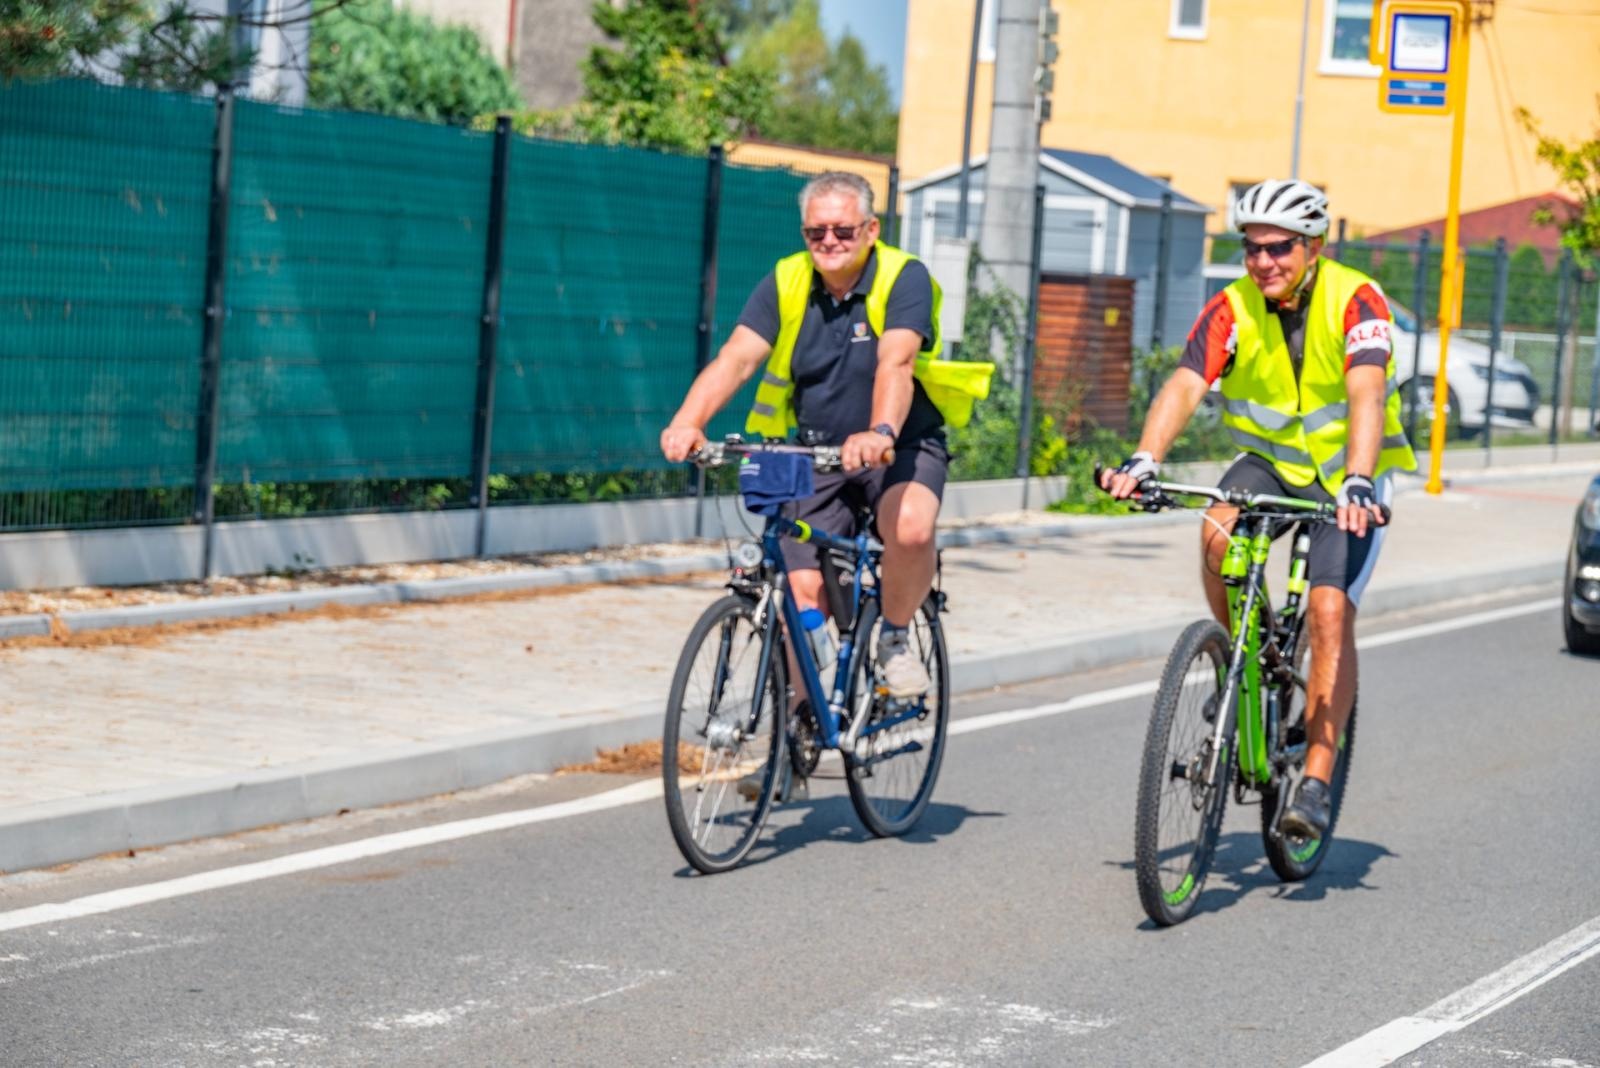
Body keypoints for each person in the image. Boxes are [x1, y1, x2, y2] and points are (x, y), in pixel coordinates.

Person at [1100, 178, 1416, 840]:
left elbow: (1366, 391)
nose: (1264, 262)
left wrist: (1359, 480)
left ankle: (1318, 781)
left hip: (1344, 480)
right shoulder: (1232, 305)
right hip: (1271, 463)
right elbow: (1188, 381)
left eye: (1279, 248)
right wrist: (1145, 459)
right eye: (1252, 249)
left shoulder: (1356, 298)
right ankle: (1245, 651)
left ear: (1315, 246)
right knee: (1216, 528)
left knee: (1330, 612)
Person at [660, 170, 990, 700]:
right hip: (811, 449)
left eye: (842, 230)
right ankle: (797, 728)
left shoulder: (902, 276)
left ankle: (896, 638)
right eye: (816, 233)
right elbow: (737, 359)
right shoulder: (788, 279)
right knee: (798, 593)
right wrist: (686, 421)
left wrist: (880, 430)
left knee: (908, 528)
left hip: (899, 445)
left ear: (870, 229)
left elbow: (897, 361)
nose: (829, 242)